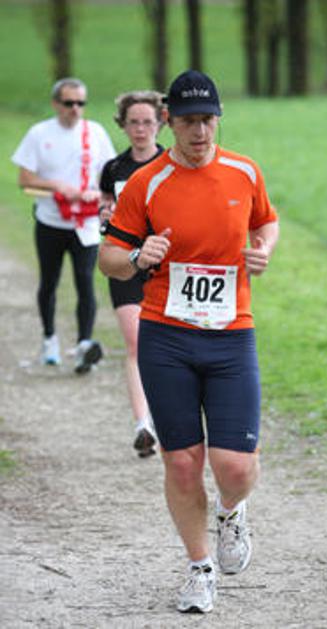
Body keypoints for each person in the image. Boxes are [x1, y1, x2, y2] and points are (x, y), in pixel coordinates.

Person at [98, 70, 279, 613]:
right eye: (188, 121)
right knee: (181, 462)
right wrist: (137, 256)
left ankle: (231, 511)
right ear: (169, 122)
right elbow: (108, 258)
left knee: (235, 466)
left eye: (208, 120)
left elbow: (267, 223)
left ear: (218, 119)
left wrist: (264, 250)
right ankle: (200, 567)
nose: (199, 132)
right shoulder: (145, 183)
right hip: (167, 336)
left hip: (230, 335)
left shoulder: (244, 172)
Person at [11, 77, 116, 374]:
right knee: (50, 281)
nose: (75, 109)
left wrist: (100, 194)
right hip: (51, 221)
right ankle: (49, 339)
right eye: (69, 103)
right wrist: (56, 185)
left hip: (86, 222)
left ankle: (84, 345)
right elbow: (24, 179)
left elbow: (109, 172)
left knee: (85, 281)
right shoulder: (39, 133)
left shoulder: (95, 133)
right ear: (56, 104)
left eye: (81, 103)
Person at [99, 91, 166, 457]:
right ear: (122, 125)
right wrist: (105, 216)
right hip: (126, 262)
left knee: (164, 345)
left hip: (164, 264)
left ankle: (165, 416)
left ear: (160, 123)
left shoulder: (171, 165)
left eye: (147, 122)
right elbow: (105, 210)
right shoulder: (113, 168)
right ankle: (143, 424)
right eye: (133, 122)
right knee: (136, 343)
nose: (140, 129)